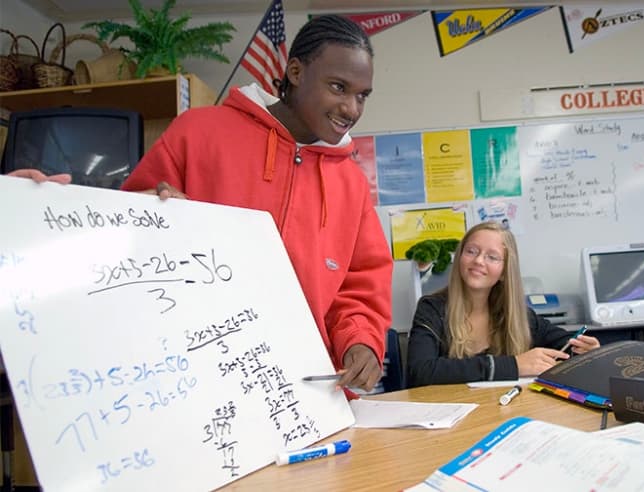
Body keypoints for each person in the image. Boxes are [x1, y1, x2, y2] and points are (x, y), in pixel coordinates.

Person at [9, 15, 392, 392]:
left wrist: (360, 342)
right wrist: (151, 218)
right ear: (295, 71)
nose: (352, 109)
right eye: (339, 87)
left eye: (362, 95)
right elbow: (123, 247)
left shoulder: (351, 184)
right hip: (191, 382)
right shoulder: (197, 132)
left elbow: (360, 285)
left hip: (305, 391)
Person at [406, 221, 600, 387]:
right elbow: (421, 372)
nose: (479, 261)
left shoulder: (517, 315)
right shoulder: (431, 308)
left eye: (492, 257)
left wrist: (586, 352)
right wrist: (514, 366)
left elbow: (564, 346)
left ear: (504, 271)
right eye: (471, 251)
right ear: (459, 259)